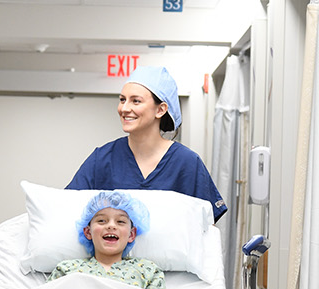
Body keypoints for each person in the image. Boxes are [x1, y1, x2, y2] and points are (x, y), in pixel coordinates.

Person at [66, 65, 228, 223]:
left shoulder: (186, 163)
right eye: (122, 100)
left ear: (160, 110)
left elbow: (206, 225)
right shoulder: (102, 159)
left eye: (136, 101)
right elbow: (67, 206)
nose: (124, 108)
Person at [49, 191, 166, 289]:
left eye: (120, 221)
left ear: (131, 234)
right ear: (88, 232)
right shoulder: (67, 270)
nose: (111, 225)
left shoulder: (148, 270)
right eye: (101, 220)